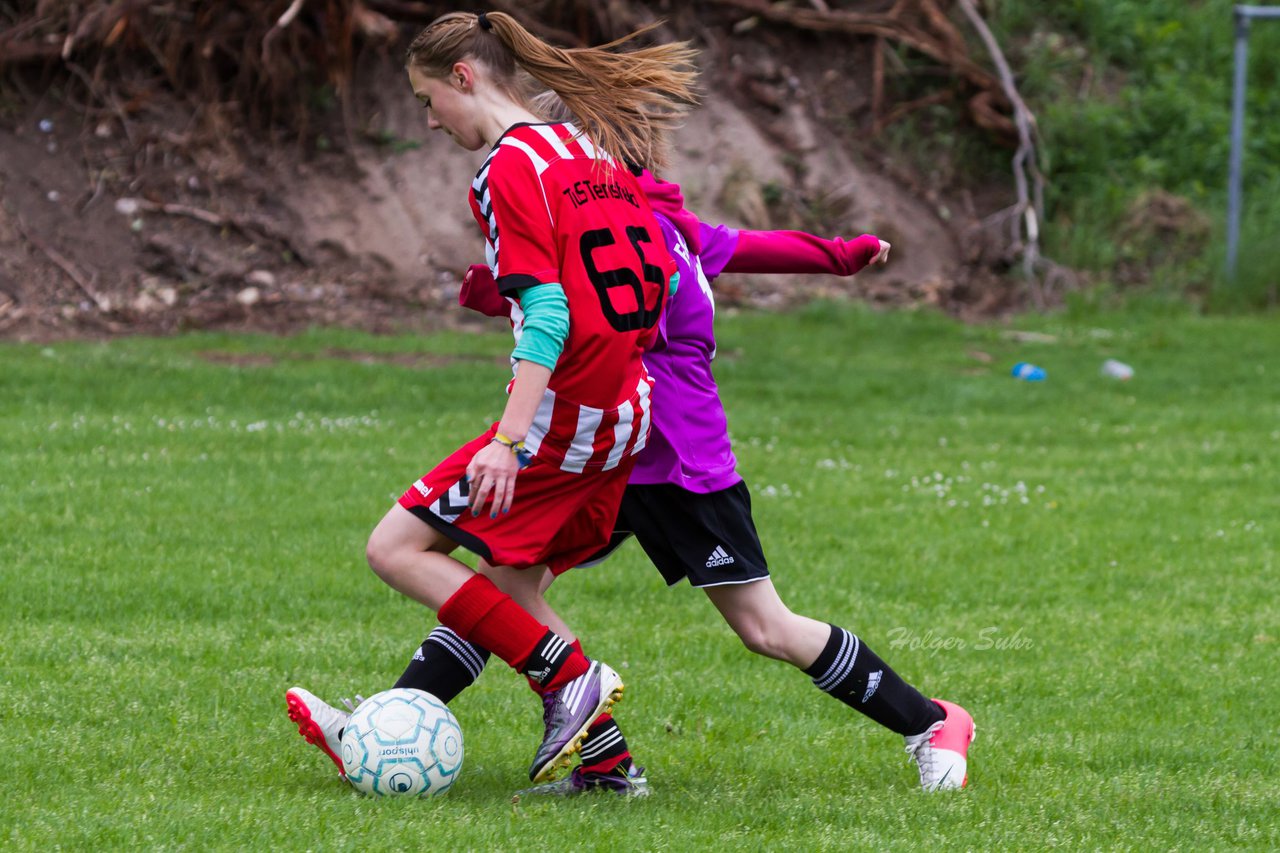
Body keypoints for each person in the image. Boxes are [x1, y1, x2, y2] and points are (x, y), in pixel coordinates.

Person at [284, 9, 697, 788]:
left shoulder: (508, 168)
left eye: (426, 97)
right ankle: (609, 767)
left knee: (396, 548)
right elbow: (655, 278)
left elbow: (549, 312)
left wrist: (508, 441)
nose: (428, 119)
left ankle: (567, 676)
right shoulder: (585, 147)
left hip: (564, 418)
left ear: (464, 78)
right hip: (627, 408)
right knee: (510, 585)